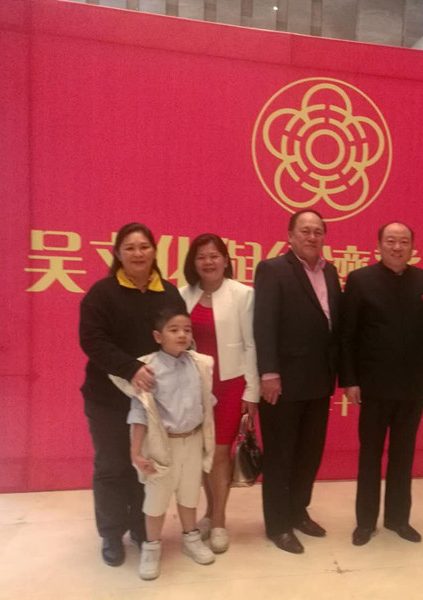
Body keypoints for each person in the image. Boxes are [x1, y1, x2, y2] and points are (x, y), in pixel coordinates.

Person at [79, 222, 186, 566]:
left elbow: (178, 338)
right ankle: (111, 533)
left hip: (152, 400)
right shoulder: (102, 293)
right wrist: (131, 369)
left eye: (144, 247)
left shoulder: (169, 294)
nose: (138, 254)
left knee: (146, 465)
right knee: (112, 465)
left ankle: (141, 528)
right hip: (107, 398)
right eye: (130, 248)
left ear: (154, 251)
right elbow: (92, 340)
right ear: (117, 253)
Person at [341, 222, 423, 546]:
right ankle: (365, 522)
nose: (397, 247)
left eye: (404, 242)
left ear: (413, 247)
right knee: (369, 456)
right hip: (373, 387)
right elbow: (347, 335)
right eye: (391, 241)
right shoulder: (360, 280)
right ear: (379, 245)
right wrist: (350, 380)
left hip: (412, 388)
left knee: (403, 456)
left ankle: (398, 519)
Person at [253, 210, 341, 554]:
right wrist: (269, 373)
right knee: (280, 455)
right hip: (283, 383)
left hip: (319, 381)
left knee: (309, 453)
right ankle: (278, 525)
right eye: (304, 231)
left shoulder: (330, 271)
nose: (311, 237)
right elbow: (264, 324)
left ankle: (298, 511)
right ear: (290, 236)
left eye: (318, 231)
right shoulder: (272, 269)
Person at [110, 307, 217, 580]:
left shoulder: (200, 364)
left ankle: (191, 537)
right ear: (158, 336)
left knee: (189, 494)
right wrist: (136, 452)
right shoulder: (148, 368)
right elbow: (140, 412)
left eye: (187, 330)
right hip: (162, 446)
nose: (182, 335)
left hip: (192, 440)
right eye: (174, 330)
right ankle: (152, 546)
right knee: (156, 499)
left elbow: (206, 403)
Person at [179, 233, 259, 554]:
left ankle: (220, 521)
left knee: (220, 454)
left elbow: (252, 344)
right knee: (203, 454)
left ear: (226, 260)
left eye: (214, 256)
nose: (208, 262)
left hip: (230, 385)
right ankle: (209, 513)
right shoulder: (182, 295)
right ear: (193, 262)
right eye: (201, 257)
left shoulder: (243, 294)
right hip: (194, 387)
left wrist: (251, 392)